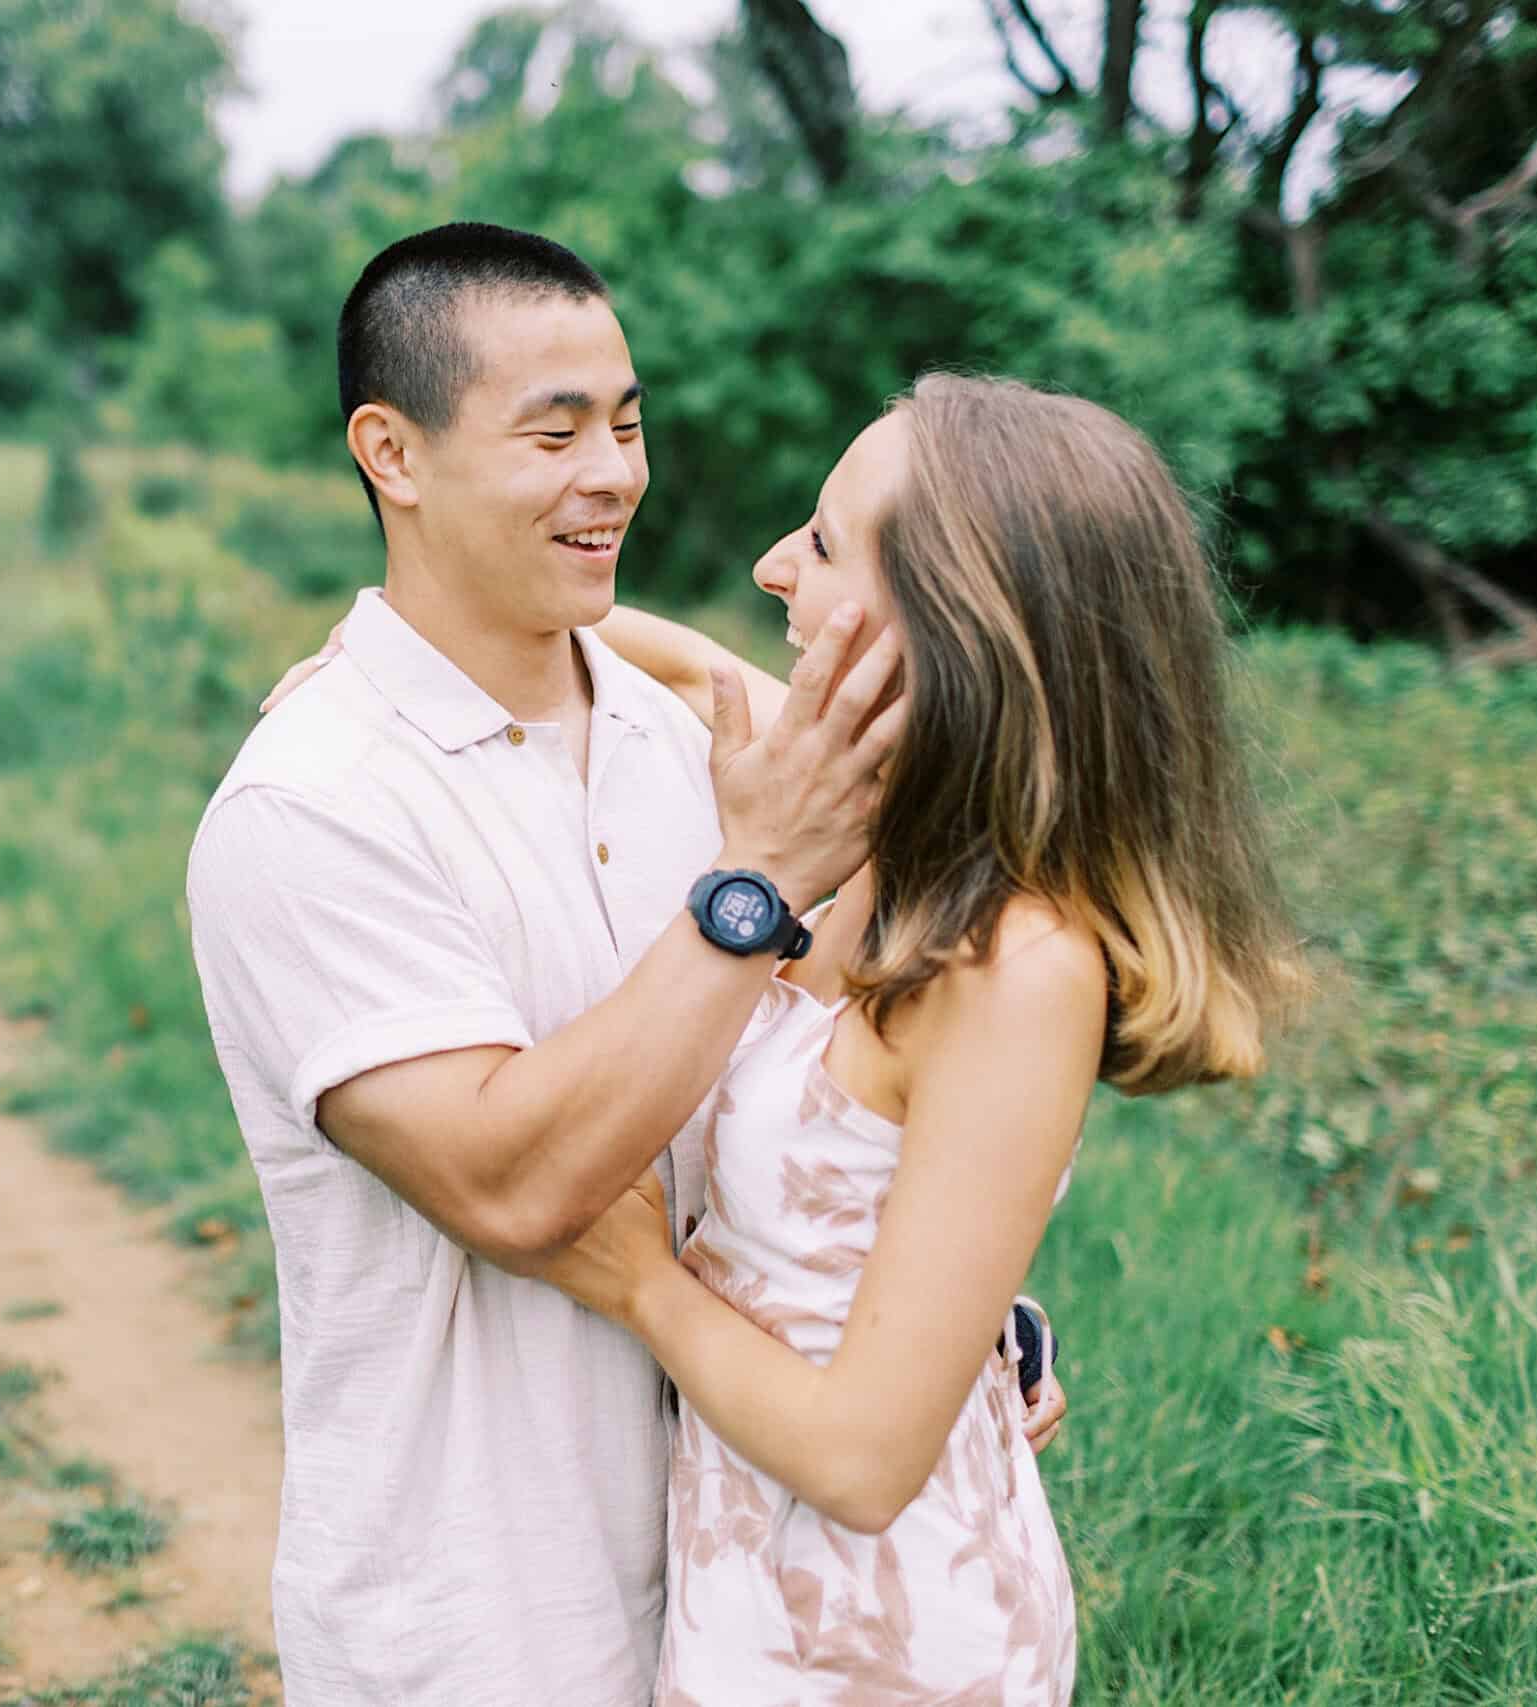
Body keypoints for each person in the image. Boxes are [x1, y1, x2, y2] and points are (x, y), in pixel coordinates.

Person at [184, 224, 1064, 1706]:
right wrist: (757, 887)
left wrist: (957, 1314)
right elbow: (518, 1190)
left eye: (629, 421)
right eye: (556, 431)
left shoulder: (696, 751)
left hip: (749, 1599)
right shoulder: (314, 807)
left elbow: (843, 1111)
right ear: (390, 453)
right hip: (479, 1615)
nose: (616, 473)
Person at [525, 375, 1309, 1702]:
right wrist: (424, 658)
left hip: (887, 1644)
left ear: (957, 631)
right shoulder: (894, 830)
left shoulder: (1021, 968)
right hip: (753, 1597)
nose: (773, 564)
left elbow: (869, 1463)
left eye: (824, 544)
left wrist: (637, 1281)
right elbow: (705, 670)